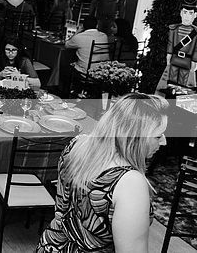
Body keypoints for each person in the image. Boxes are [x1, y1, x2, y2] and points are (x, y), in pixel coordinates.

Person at [37, 93, 168, 253]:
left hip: (53, 245)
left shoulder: (77, 143)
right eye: (158, 136)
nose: (164, 141)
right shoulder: (130, 183)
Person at [164, 0, 197, 87]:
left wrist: (194, 63)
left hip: (187, 62)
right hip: (174, 59)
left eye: (190, 13)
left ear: (195, 15)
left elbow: (196, 49)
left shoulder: (195, 32)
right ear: (181, 13)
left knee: (183, 85)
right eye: (185, 12)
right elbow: (170, 44)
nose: (187, 16)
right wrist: (168, 59)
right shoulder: (174, 29)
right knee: (171, 83)